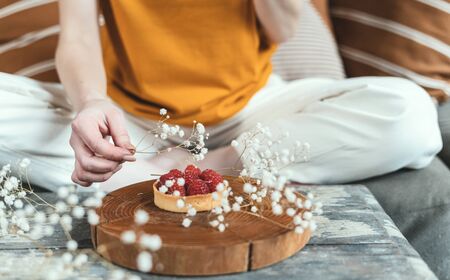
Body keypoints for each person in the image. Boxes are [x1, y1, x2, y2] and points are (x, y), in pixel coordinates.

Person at [0, 0, 442, 192]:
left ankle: (207, 170)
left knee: (411, 115)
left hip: (254, 113)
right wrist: (91, 103)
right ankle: (144, 172)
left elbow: (283, 29)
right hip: (131, 123)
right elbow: (77, 37)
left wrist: (226, 156)